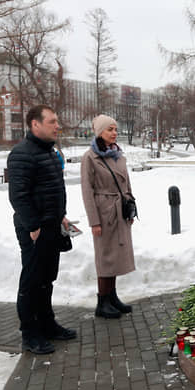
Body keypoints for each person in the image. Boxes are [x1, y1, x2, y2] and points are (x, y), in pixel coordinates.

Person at [8, 104, 76, 354]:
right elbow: (18, 196)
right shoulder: (21, 154)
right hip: (34, 230)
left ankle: (47, 324)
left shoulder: (48, 152)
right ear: (35, 124)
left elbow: (53, 191)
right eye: (52, 121)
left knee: (48, 278)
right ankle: (30, 333)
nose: (57, 125)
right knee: (32, 281)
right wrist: (33, 226)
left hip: (52, 225)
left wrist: (61, 217)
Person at [81, 114, 136, 319]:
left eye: (115, 129)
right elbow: (87, 190)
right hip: (104, 212)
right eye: (109, 129)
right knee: (105, 257)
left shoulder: (118, 154)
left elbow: (126, 183)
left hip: (119, 210)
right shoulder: (90, 157)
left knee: (116, 256)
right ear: (99, 132)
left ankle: (112, 297)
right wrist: (94, 221)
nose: (114, 133)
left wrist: (130, 206)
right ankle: (102, 302)